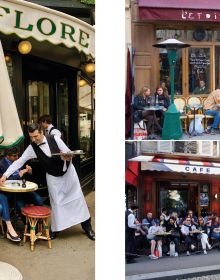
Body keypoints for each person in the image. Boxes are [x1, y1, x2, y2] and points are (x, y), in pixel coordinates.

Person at [0, 124, 95, 241]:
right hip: (53, 178)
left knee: (77, 200)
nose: (34, 139)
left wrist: (67, 157)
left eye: (36, 136)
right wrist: (5, 175)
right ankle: (56, 229)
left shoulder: (54, 138)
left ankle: (87, 227)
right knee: (57, 204)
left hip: (68, 174)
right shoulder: (32, 147)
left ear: (41, 132)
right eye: (31, 137)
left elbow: (68, 152)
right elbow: (19, 162)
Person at [0, 147, 43, 215]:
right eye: (14, 156)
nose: (17, 157)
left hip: (23, 189)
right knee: (21, 207)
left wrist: (29, 172)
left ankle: (37, 222)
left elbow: (24, 178)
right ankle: (28, 224)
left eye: (18, 155)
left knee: (39, 200)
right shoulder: (1, 164)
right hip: (12, 193)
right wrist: (18, 176)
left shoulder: (18, 162)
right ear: (7, 156)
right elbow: (3, 181)